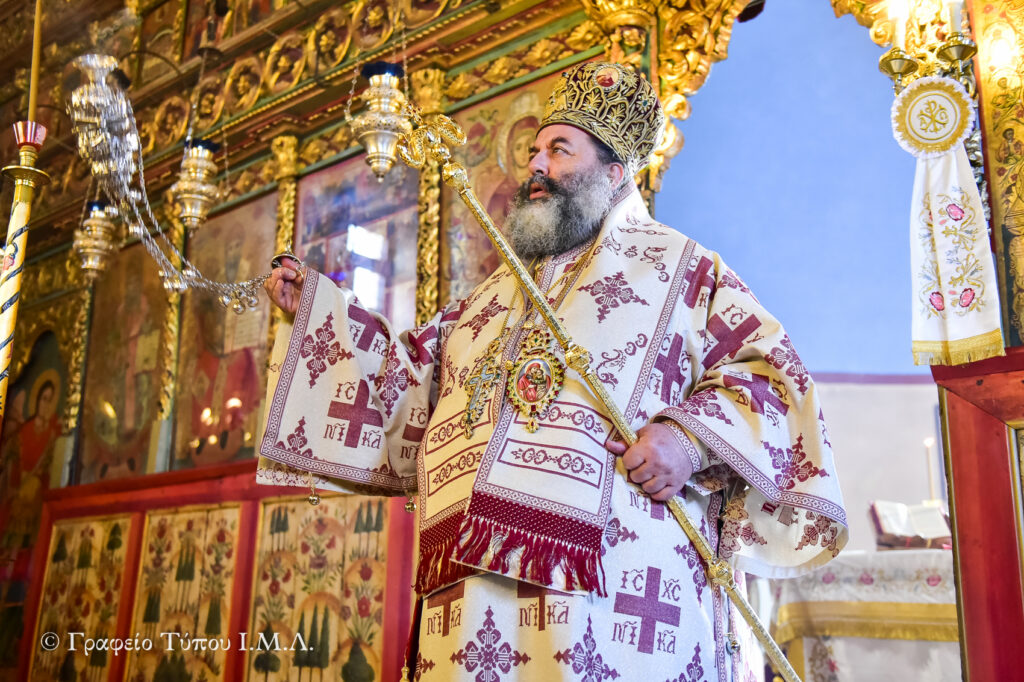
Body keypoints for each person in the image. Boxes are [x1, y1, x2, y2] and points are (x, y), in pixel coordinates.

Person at [260, 61, 847, 680]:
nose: (535, 166)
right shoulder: (491, 296)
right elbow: (407, 386)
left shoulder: (683, 269)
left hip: (612, 592)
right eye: (535, 150)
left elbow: (771, 373)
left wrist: (684, 439)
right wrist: (321, 314)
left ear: (615, 172)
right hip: (468, 594)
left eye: (558, 150)